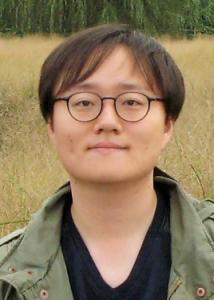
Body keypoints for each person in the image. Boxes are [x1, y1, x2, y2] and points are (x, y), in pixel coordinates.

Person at [0, 24, 213, 300]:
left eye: (132, 102)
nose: (108, 121)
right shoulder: (8, 275)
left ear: (167, 125)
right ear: (51, 125)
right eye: (84, 102)